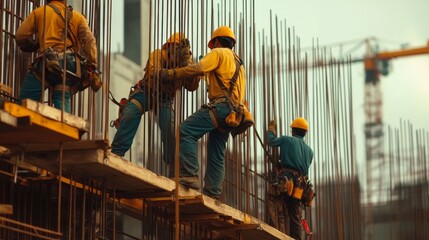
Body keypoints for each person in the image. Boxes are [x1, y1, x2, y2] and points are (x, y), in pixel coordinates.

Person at [160, 26, 248, 200]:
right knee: (217, 151)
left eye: (212, 44)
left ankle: (189, 174)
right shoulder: (239, 62)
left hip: (221, 107)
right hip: (234, 113)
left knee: (185, 131)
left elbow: (198, 69)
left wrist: (172, 73)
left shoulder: (218, 53)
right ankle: (212, 192)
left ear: (216, 41)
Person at [111, 32, 200, 177]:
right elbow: (155, 73)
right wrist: (179, 73)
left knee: (171, 130)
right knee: (130, 113)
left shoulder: (186, 64)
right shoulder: (158, 54)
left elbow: (192, 87)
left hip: (164, 99)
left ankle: (173, 169)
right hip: (146, 92)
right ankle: (116, 153)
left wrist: (192, 72)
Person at [15, 0, 99, 113]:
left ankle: (23, 121)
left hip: (47, 63)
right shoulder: (78, 17)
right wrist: (92, 64)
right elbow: (89, 41)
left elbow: (20, 36)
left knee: (26, 100)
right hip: (70, 66)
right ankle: (64, 126)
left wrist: (32, 46)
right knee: (62, 99)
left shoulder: (40, 12)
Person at [266, 118, 314, 240]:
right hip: (301, 186)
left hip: (287, 181)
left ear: (293, 131)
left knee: (276, 203)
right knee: (294, 213)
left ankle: (278, 233)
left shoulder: (286, 139)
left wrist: (271, 129)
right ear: (305, 133)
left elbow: (270, 141)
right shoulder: (310, 151)